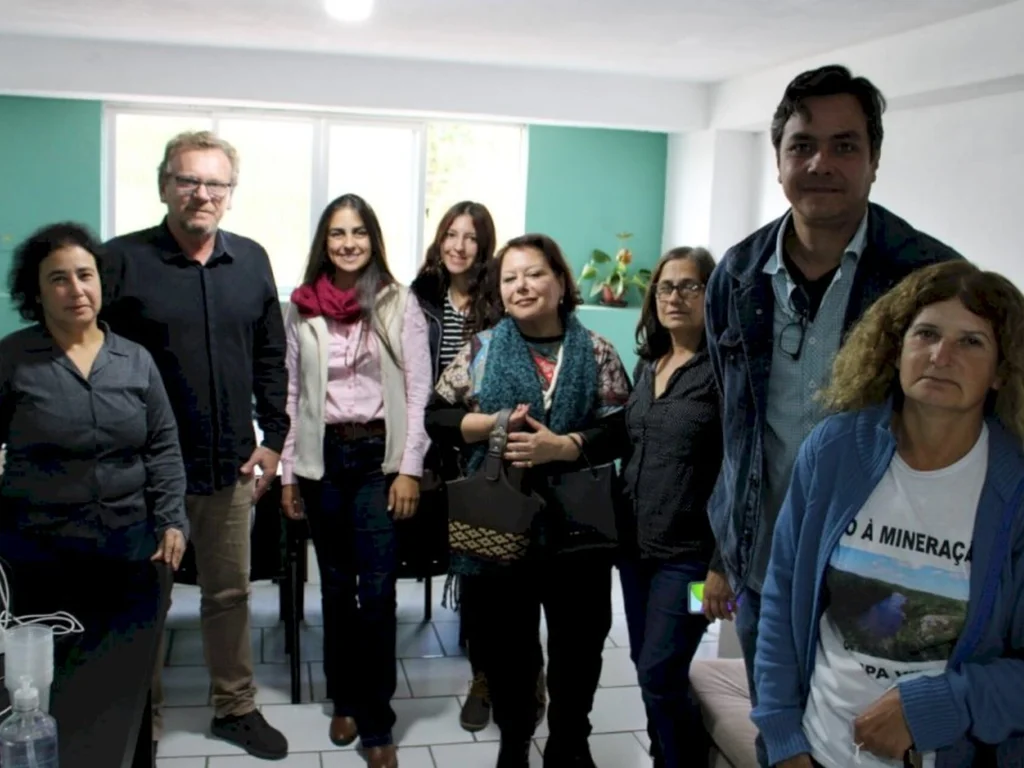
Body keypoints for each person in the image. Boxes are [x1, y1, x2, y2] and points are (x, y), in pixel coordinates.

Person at [702, 65, 961, 764]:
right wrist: (723, 555)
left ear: (874, 160)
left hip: (878, 571)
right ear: (778, 158)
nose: (821, 163)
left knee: (870, 745)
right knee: (781, 737)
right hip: (763, 566)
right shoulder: (735, 274)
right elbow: (731, 428)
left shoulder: (926, 279)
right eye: (802, 145)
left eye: (845, 146)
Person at [753, 260, 1024, 768]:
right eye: (926, 334)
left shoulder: (1015, 489)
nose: (941, 355)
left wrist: (932, 708)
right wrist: (784, 739)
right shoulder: (833, 451)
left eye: (971, 342)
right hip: (819, 753)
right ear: (896, 348)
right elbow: (780, 601)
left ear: (1001, 372)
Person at [101, 131, 290, 759]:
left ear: (231, 195)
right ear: (164, 186)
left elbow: (270, 355)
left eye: (216, 183)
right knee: (145, 598)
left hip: (230, 464)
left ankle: (235, 707)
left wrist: (274, 439)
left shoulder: (254, 260)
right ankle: (139, 719)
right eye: (188, 180)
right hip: (145, 474)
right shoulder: (120, 262)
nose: (201, 193)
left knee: (230, 594)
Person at [427, 233, 630, 768]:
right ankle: (514, 740)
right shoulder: (484, 348)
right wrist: (492, 425)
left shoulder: (597, 350)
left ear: (561, 282)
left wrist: (565, 445)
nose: (521, 285)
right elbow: (437, 416)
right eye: (510, 277)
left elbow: (622, 429)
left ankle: (569, 742)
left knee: (579, 648)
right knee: (508, 649)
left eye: (534, 273)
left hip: (579, 530)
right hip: (500, 526)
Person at [0, 222, 187, 700]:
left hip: (128, 548)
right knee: (50, 685)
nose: (75, 289)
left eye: (85, 275)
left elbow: (163, 446)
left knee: (124, 682)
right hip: (40, 553)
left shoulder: (135, 360)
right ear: (37, 292)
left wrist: (172, 520)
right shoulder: (14, 359)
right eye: (58, 278)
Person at [279, 193, 432, 768]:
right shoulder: (301, 309)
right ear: (324, 241)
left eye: (359, 232)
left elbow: (418, 389)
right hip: (323, 463)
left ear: (373, 240)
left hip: (377, 460)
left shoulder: (397, 302)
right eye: (338, 233)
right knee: (337, 589)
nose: (348, 243)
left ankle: (377, 720)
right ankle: (343, 695)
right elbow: (292, 396)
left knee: (379, 592)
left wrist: (409, 467)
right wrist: (291, 473)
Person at [411, 200, 546, 732]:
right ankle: (485, 675)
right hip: (441, 442)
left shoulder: (501, 299)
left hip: (499, 450)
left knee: (507, 571)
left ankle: (521, 674)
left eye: (470, 237)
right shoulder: (420, 295)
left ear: (484, 245)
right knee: (473, 574)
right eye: (450, 233)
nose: (458, 245)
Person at [619, 246, 721, 768]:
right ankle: (668, 755)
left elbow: (745, 474)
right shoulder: (650, 362)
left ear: (712, 293)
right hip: (636, 551)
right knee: (648, 665)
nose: (675, 297)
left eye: (689, 286)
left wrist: (723, 567)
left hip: (693, 559)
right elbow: (627, 438)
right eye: (665, 286)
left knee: (660, 670)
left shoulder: (727, 372)